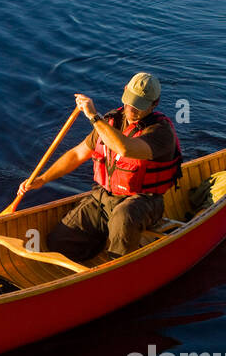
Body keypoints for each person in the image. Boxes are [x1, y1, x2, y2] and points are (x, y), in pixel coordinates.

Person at [17, 72, 182, 263]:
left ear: (154, 104)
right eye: (130, 101)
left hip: (143, 201)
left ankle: (118, 264)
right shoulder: (111, 122)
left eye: (140, 105)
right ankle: (103, 242)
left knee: (123, 216)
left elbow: (125, 148)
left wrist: (94, 117)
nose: (132, 108)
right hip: (105, 197)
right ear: (125, 91)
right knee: (58, 242)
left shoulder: (160, 132)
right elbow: (77, 154)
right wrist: (43, 179)